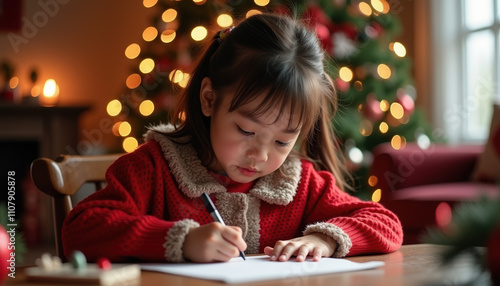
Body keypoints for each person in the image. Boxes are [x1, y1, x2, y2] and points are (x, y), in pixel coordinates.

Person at [62, 13, 403, 263]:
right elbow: (79, 229)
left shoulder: (299, 183)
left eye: (282, 141)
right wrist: (181, 241)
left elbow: (386, 223)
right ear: (209, 99)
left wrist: (323, 239)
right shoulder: (153, 168)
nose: (260, 154)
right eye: (246, 131)